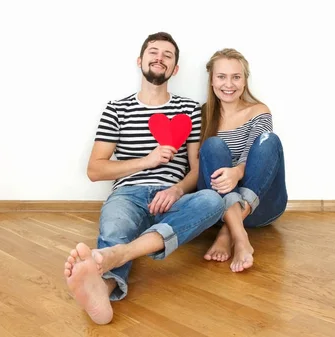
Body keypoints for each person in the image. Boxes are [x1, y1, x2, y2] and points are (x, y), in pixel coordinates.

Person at [63, 32, 225, 325]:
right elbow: (95, 170)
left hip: (173, 198)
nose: (159, 58)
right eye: (153, 52)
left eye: (167, 55)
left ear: (175, 69)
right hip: (128, 194)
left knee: (213, 200)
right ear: (140, 61)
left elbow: (196, 169)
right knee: (116, 227)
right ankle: (104, 288)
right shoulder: (117, 109)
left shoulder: (188, 109)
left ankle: (120, 254)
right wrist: (147, 161)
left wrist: (177, 190)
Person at [197, 48, 288, 273]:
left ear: (245, 81)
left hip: (262, 208)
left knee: (269, 141)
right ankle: (237, 233)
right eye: (221, 77)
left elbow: (256, 158)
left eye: (236, 77)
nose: (229, 84)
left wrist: (237, 172)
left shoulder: (258, 111)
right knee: (213, 145)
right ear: (211, 80)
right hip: (217, 207)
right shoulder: (202, 115)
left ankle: (229, 233)